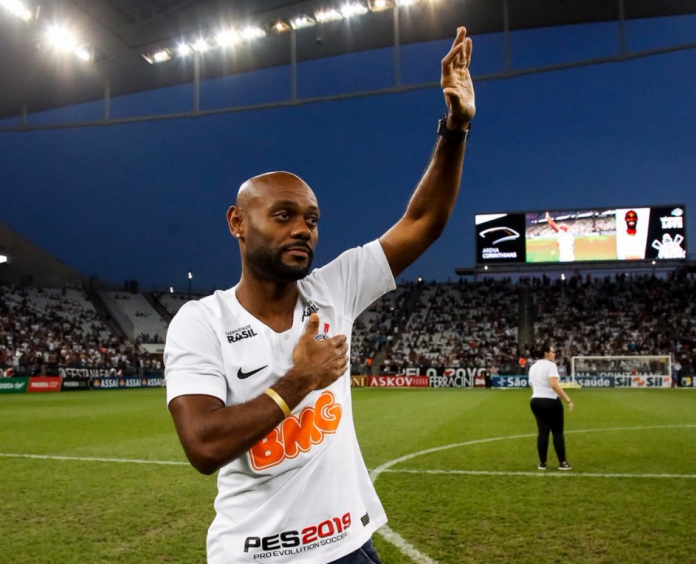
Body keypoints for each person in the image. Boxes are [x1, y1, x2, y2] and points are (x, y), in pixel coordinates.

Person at [163, 27, 475, 564]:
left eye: (311, 219)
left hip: (351, 546)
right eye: (283, 216)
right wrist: (301, 378)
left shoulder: (334, 289)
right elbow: (204, 445)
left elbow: (423, 221)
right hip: (257, 555)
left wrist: (455, 128)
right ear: (238, 222)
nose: (303, 229)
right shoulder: (201, 321)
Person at [528, 343, 574, 471]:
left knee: (542, 432)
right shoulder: (551, 365)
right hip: (550, 400)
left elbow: (532, 385)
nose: (554, 354)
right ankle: (563, 462)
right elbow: (554, 384)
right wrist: (568, 400)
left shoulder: (533, 367)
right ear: (546, 353)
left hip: (536, 400)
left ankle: (542, 463)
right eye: (553, 351)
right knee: (557, 432)